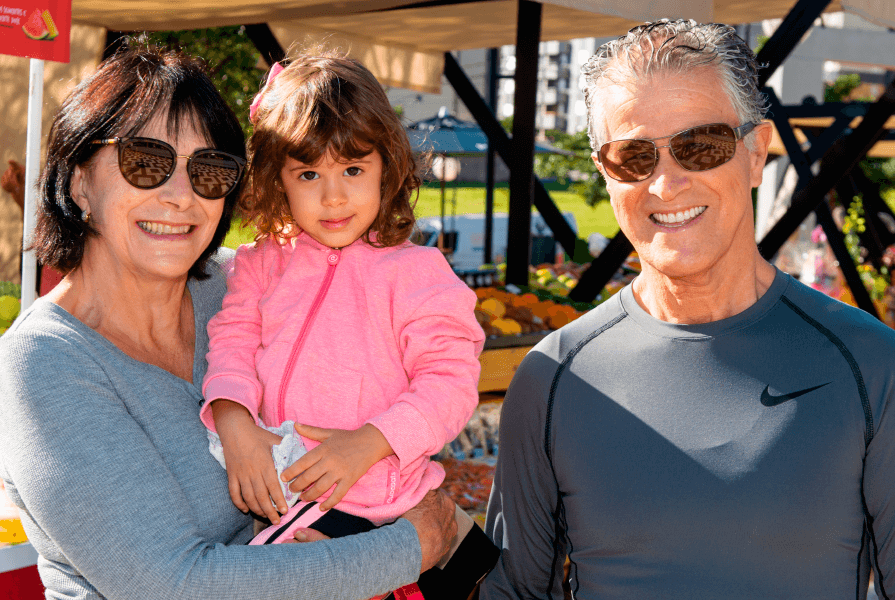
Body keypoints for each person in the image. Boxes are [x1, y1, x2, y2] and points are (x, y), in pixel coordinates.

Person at [0, 44, 456, 600]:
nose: (180, 196)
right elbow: (172, 584)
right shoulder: (45, 365)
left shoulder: (245, 285)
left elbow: (421, 378)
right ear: (78, 183)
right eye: (146, 161)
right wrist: (411, 547)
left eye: (209, 171)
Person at [480, 19, 895, 600]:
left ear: (755, 153)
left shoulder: (872, 365)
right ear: (605, 174)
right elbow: (516, 592)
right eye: (633, 156)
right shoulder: (552, 377)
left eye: (700, 146)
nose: (667, 184)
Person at [200, 53, 498, 599]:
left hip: (378, 499)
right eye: (309, 173)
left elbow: (450, 381)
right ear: (278, 179)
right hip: (289, 486)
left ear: (388, 166)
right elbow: (232, 342)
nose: (333, 196)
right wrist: (234, 420)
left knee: (255, 579)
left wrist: (372, 442)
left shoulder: (415, 274)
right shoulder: (261, 263)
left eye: (353, 170)